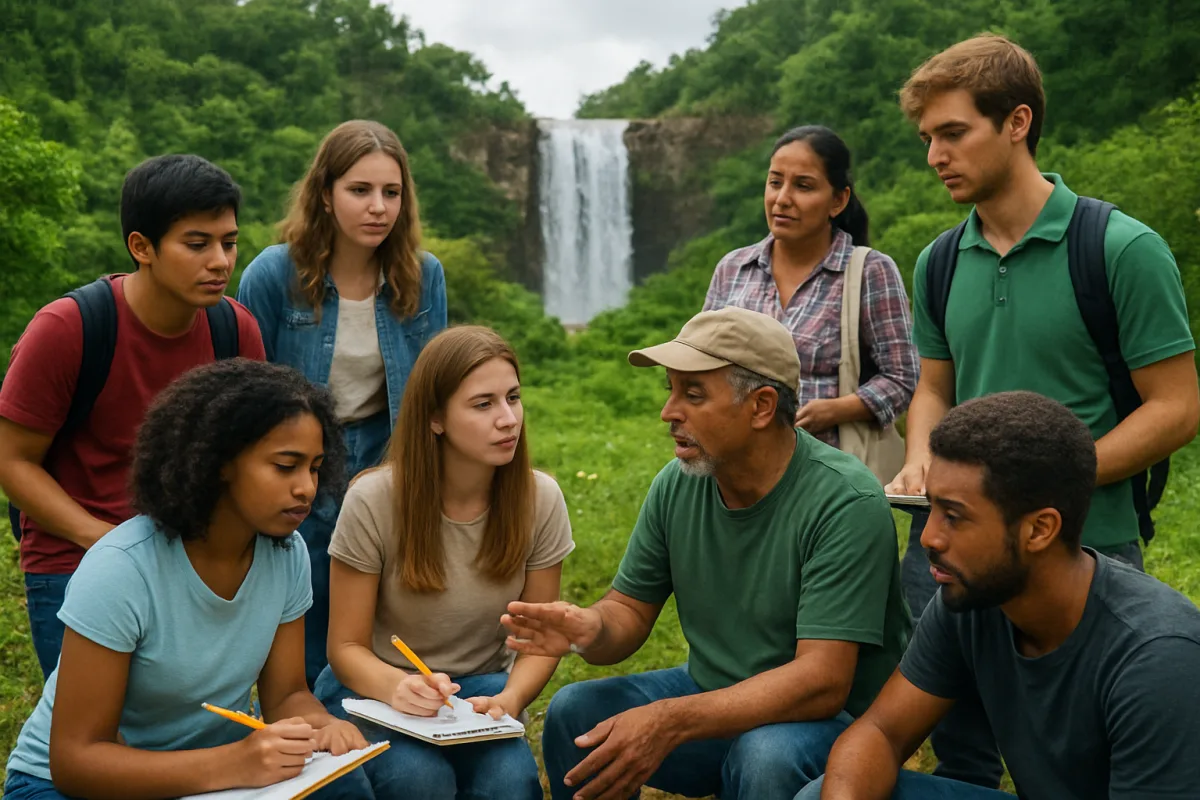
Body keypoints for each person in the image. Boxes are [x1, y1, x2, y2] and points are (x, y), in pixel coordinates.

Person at [885, 33, 1200, 788]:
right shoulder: (938, 261)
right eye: (928, 138)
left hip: (1086, 545)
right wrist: (922, 455)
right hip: (951, 541)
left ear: (1018, 121)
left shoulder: (1120, 249)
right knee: (958, 749)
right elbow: (933, 386)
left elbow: (1177, 407)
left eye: (953, 133)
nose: (935, 156)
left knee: (1078, 762)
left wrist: (1051, 482)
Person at [505, 306, 912, 800]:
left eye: (693, 394)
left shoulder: (845, 501)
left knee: (764, 757)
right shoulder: (677, 485)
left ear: (762, 406)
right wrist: (591, 629)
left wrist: (670, 721)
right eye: (671, 390)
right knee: (577, 714)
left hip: (833, 721)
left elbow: (822, 681)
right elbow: (628, 611)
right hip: (713, 696)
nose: (669, 412)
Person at [799, 391, 1200, 800]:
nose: (929, 537)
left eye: (953, 516)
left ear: (1039, 530)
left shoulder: (1158, 659)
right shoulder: (974, 597)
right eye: (929, 508)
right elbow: (881, 733)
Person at [2, 359, 373, 800]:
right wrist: (234, 763)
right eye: (285, 466)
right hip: (64, 787)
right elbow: (77, 761)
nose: (307, 488)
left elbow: (287, 694)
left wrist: (323, 725)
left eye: (314, 467)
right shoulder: (123, 568)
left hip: (210, 778)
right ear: (219, 463)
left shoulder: (286, 553)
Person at [0, 154, 267, 678]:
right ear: (141, 247)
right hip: (77, 564)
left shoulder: (235, 333)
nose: (220, 261)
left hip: (191, 565)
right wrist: (105, 541)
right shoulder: (70, 328)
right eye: (197, 244)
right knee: (94, 742)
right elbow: (12, 460)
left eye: (229, 242)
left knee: (185, 735)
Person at [314, 325, 573, 799]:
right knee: (419, 780)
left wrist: (511, 698)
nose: (508, 419)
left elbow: (540, 639)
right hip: (375, 686)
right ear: (435, 418)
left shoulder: (541, 498)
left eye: (513, 398)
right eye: (483, 404)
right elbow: (345, 647)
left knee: (510, 782)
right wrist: (397, 686)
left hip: (480, 691)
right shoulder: (373, 499)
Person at [237, 119, 448, 687]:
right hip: (296, 461)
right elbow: (245, 392)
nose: (378, 207)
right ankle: (304, 733)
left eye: (392, 192)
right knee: (298, 601)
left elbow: (433, 390)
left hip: (385, 454)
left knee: (374, 613)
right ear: (325, 195)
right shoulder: (273, 274)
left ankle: (372, 733)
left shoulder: (423, 278)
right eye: (360, 190)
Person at [703, 125, 917, 474]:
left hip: (826, 472)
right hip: (735, 471)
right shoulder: (734, 268)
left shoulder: (868, 272)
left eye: (803, 186)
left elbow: (903, 376)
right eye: (775, 182)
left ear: (838, 200)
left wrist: (837, 409)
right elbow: (700, 363)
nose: (782, 198)